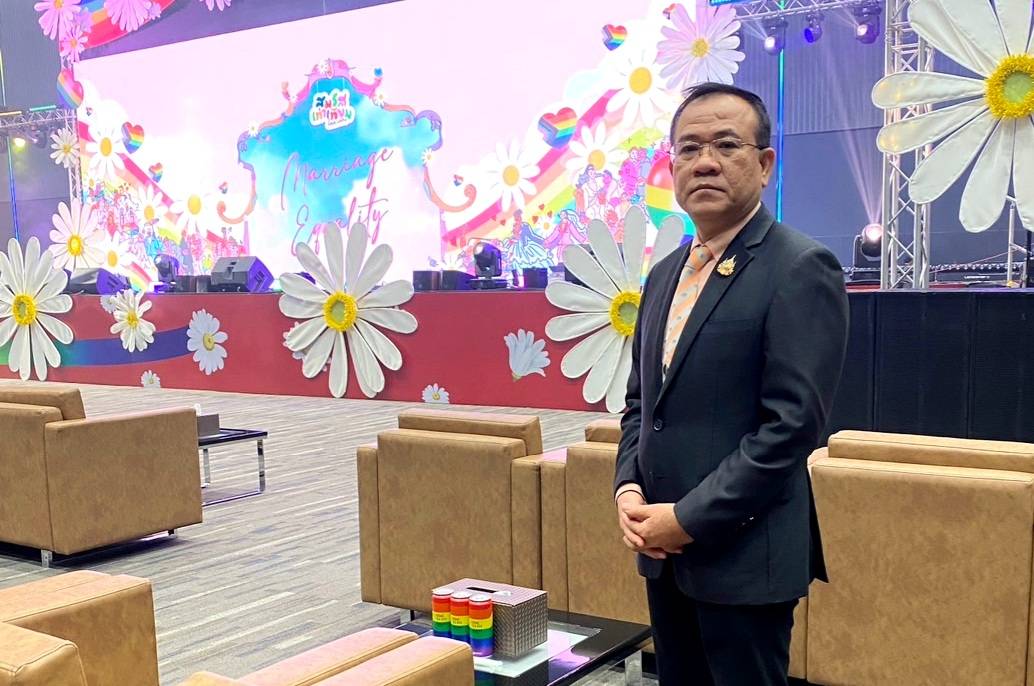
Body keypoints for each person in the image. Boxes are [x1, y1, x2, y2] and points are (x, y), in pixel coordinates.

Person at [613, 82, 849, 685]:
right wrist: (628, 491)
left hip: (745, 558)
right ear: (672, 166)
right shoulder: (665, 275)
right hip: (663, 554)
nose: (705, 162)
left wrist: (687, 518)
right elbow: (642, 404)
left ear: (764, 164)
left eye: (725, 145)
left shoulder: (799, 266)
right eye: (689, 148)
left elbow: (790, 429)